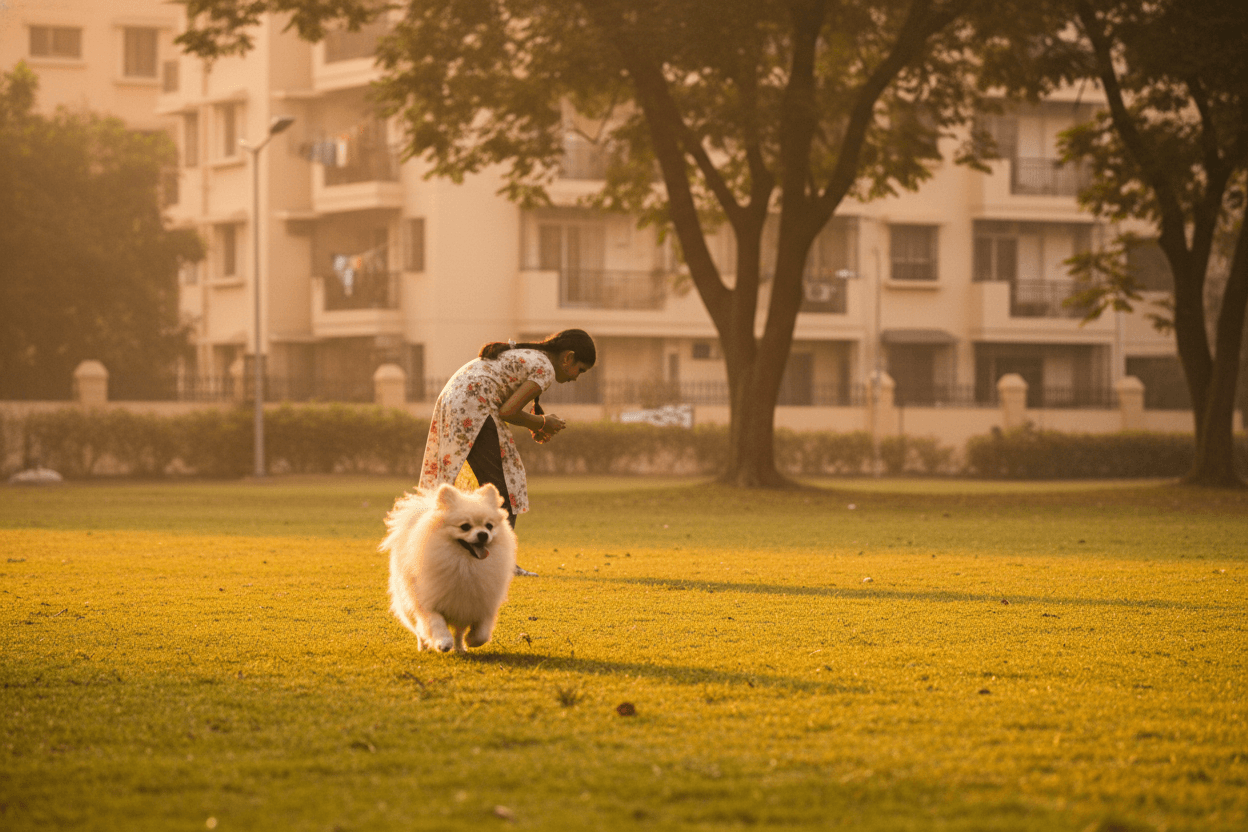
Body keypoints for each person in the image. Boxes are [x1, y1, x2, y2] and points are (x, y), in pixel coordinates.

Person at [418, 329, 596, 575]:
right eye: (581, 369)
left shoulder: (535, 357)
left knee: (495, 485)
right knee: (505, 490)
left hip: (459, 402)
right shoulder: (544, 369)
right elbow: (508, 412)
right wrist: (542, 422)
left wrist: (537, 422)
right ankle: (500, 564)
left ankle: (464, 557)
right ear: (568, 358)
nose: (577, 377)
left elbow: (506, 408)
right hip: (474, 406)